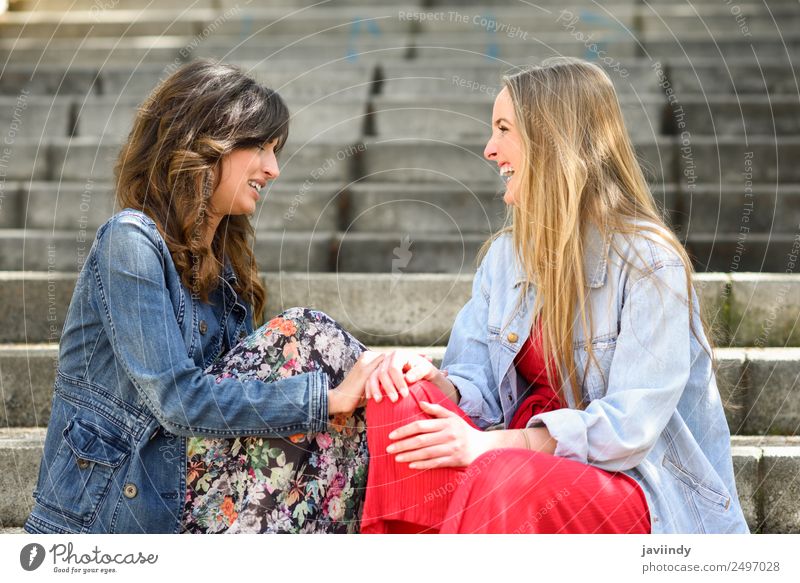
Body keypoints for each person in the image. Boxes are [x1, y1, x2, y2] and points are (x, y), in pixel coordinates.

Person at [359, 57, 750, 534]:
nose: (488, 149)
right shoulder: (505, 256)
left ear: (552, 140)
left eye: (504, 129)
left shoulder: (650, 263)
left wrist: (491, 446)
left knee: (503, 474)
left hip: (629, 484)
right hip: (510, 461)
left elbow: (629, 431)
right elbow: (476, 381)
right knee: (397, 399)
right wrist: (437, 383)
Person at [24, 59, 384, 534]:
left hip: (185, 489)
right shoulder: (129, 243)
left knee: (347, 424)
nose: (273, 169)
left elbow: (240, 403)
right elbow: (178, 402)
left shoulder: (226, 266)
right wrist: (326, 398)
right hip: (116, 511)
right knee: (307, 337)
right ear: (205, 142)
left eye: (275, 150)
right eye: (260, 146)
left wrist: (337, 401)